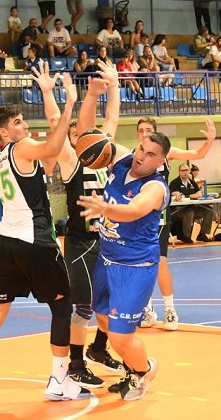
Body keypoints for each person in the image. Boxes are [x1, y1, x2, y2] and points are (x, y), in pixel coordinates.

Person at [0, 62, 88, 403]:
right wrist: (69, 102)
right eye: (18, 123)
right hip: (35, 243)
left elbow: (50, 157)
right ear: (3, 132)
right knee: (62, 306)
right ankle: (59, 379)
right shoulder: (21, 148)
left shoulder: (0, 158)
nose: (25, 126)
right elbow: (54, 147)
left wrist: (46, 93)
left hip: (8, 244)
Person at [74, 62, 170, 401]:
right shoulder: (125, 160)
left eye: (150, 155)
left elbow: (133, 211)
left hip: (135, 267)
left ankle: (144, 370)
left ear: (161, 162)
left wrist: (104, 208)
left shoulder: (156, 187)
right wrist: (94, 94)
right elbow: (87, 136)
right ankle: (133, 364)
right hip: (108, 258)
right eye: (142, 149)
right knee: (102, 318)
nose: (142, 156)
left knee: (119, 338)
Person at [41, 60, 124, 389]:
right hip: (80, 242)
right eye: (77, 132)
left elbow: (112, 119)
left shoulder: (104, 153)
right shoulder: (71, 160)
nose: (84, 135)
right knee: (86, 305)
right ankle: (75, 363)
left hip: (107, 238)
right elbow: (53, 121)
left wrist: (114, 86)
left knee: (113, 300)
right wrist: (54, 95)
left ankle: (99, 349)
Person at [134, 116, 216, 331]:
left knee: (159, 261)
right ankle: (147, 309)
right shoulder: (133, 156)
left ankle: (170, 310)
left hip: (158, 218)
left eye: (148, 129)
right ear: (137, 134)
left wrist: (210, 139)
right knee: (139, 265)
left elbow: (199, 154)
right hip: (137, 218)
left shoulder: (167, 154)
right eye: (141, 130)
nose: (144, 133)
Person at [169, 165, 213, 244]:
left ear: (189, 171)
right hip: (178, 209)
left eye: (186, 170)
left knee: (209, 210)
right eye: (182, 170)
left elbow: (199, 193)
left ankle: (202, 234)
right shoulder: (174, 183)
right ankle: (186, 237)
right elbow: (176, 195)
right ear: (179, 172)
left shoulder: (192, 182)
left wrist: (196, 194)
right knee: (189, 212)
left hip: (193, 207)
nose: (185, 172)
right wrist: (190, 196)